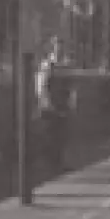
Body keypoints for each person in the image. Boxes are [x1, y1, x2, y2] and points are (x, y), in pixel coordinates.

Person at [36, 36, 76, 174]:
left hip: (62, 103)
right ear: (52, 47)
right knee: (49, 134)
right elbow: (41, 85)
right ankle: (48, 164)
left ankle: (59, 162)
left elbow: (71, 85)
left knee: (62, 134)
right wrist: (46, 102)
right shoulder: (47, 64)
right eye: (57, 45)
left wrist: (71, 100)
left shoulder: (66, 64)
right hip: (50, 103)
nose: (59, 48)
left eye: (61, 46)